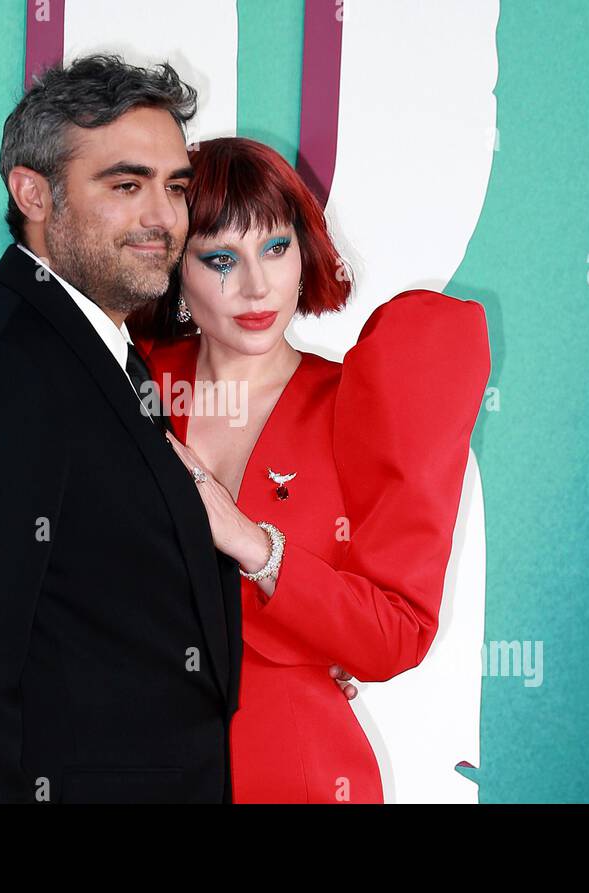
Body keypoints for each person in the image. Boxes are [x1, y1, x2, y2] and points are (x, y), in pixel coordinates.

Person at [0, 54, 243, 803]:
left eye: (175, 187)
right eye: (126, 184)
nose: (164, 217)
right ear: (32, 192)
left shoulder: (93, 347)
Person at [128, 136, 493, 803]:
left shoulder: (357, 403)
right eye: (220, 258)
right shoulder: (124, 383)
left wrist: (252, 543)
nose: (256, 285)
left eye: (275, 247)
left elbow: (395, 632)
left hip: (296, 771)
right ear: (176, 267)